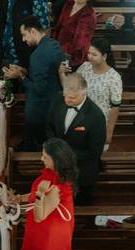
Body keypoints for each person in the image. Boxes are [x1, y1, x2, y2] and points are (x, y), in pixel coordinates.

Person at [3, 17, 65, 151]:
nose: (24, 39)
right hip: (54, 102)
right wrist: (25, 71)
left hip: (38, 110)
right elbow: (49, 73)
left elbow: (39, 89)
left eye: (24, 35)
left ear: (32, 31)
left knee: (34, 145)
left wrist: (21, 76)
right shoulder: (54, 45)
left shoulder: (37, 56)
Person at [18, 137, 78, 250]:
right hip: (44, 225)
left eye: (45, 157)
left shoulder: (59, 187)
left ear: (55, 160)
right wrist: (19, 198)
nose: (41, 159)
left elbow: (40, 216)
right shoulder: (53, 174)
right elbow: (36, 193)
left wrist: (40, 195)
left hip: (50, 232)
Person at [46, 73, 107, 206]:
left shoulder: (96, 117)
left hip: (82, 172)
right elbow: (49, 126)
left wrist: (64, 154)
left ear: (84, 93)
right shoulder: (58, 99)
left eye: (72, 97)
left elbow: (95, 152)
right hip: (57, 169)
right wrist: (54, 148)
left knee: (81, 206)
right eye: (65, 95)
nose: (67, 100)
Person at [69, 37, 122, 151]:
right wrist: (61, 73)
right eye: (89, 53)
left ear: (104, 56)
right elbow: (72, 86)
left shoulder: (114, 77)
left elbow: (115, 107)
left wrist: (109, 131)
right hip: (81, 119)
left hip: (99, 122)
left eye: (94, 54)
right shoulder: (84, 67)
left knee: (93, 155)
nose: (89, 57)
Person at [0, 0, 53, 70]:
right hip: (4, 53)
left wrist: (41, 56)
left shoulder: (38, 1)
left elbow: (45, 29)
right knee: (5, 78)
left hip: (27, 56)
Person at [52, 0, 97, 67]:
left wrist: (60, 54)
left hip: (73, 57)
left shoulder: (89, 15)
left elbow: (79, 45)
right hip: (57, 49)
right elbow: (59, 27)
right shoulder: (69, 3)